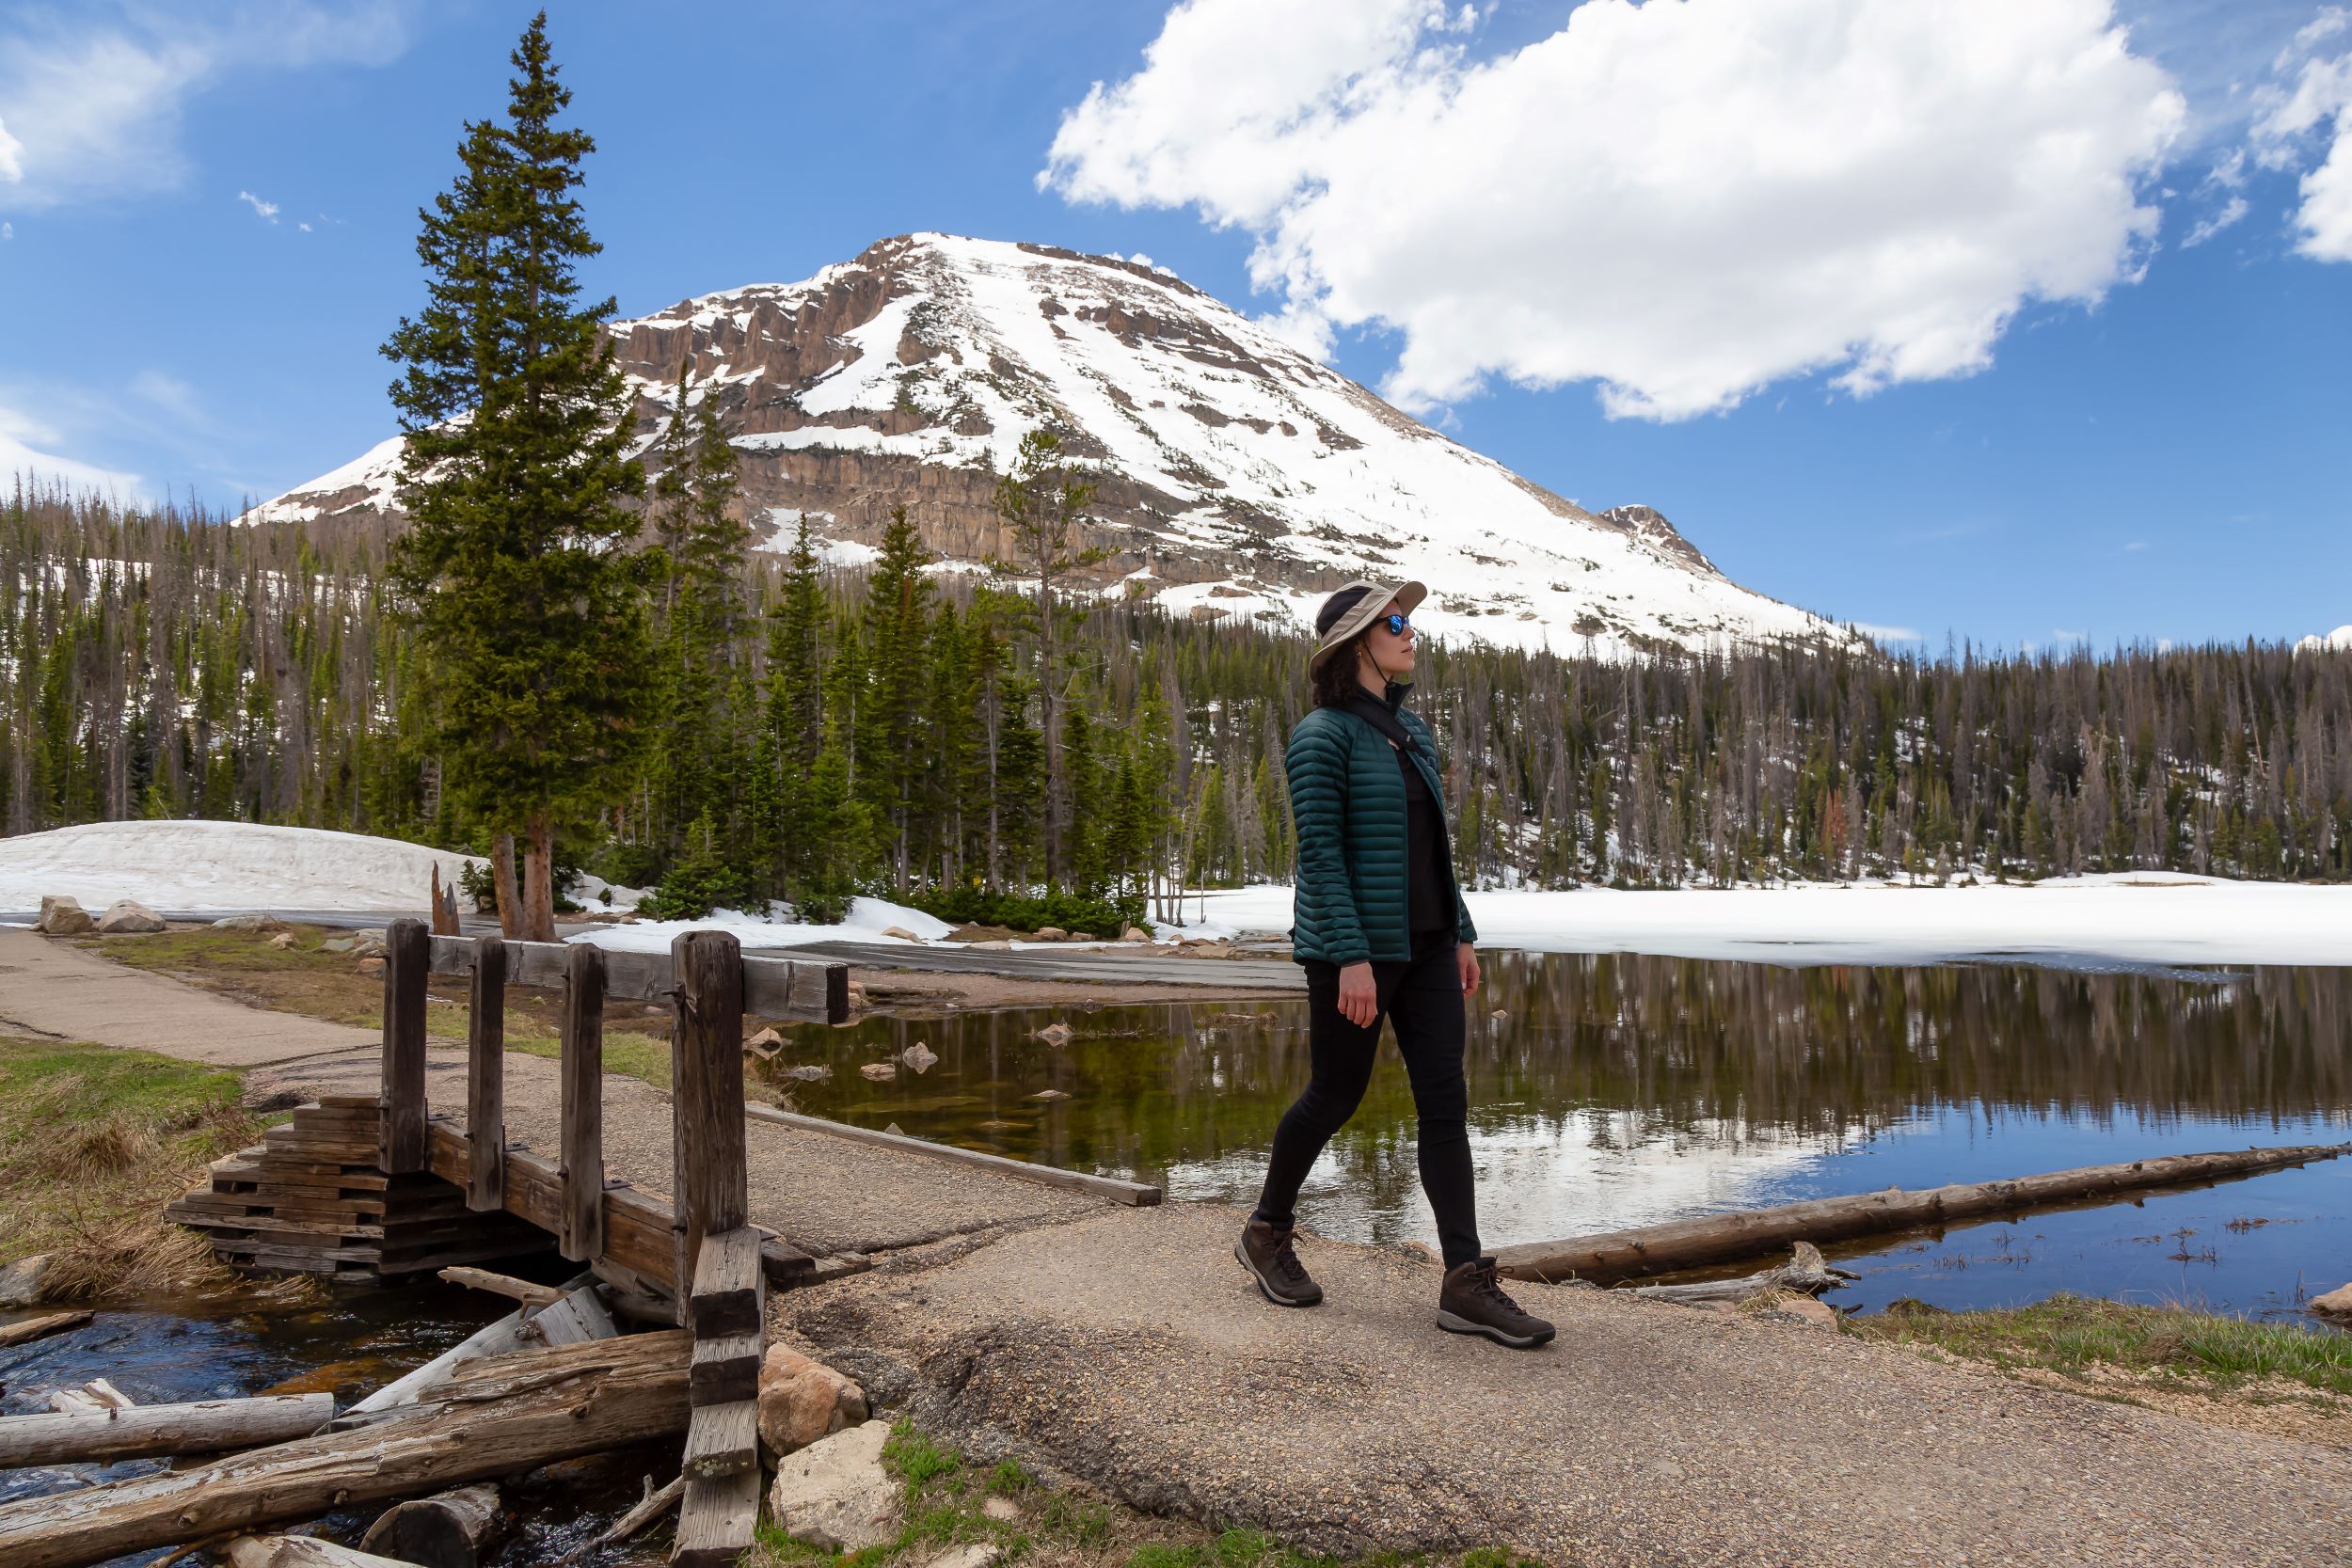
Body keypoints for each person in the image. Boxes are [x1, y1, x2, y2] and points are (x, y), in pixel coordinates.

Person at [1235, 579, 1556, 1349]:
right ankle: (1267, 1229)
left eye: (1408, 620)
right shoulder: (1322, 735)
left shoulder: (1412, 734)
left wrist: (1463, 929)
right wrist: (1349, 955)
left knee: (1445, 1102)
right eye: (1395, 622)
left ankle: (1464, 1279)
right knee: (1335, 1093)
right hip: (1357, 952)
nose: (1411, 633)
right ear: (1357, 644)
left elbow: (1432, 849)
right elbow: (1323, 852)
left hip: (1431, 946)